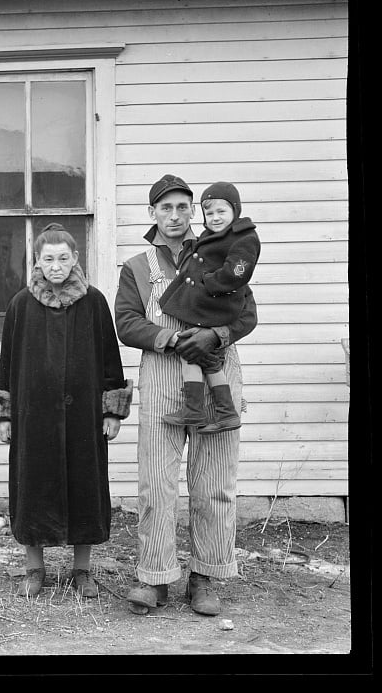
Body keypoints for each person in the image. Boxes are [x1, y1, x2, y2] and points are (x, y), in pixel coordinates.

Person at [115, 174, 258, 616]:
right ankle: (154, 578)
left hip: (215, 371)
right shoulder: (138, 267)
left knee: (214, 482)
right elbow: (126, 322)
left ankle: (206, 575)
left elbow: (247, 315)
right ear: (153, 213)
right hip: (163, 375)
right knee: (156, 482)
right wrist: (172, 339)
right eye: (166, 208)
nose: (175, 216)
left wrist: (215, 333)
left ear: (193, 211)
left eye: (183, 208)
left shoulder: (221, 251)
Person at [0, 224, 132, 599]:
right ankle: (34, 568)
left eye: (63, 258)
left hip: (84, 416)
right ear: (37, 261)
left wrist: (112, 410)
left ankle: (81, 569)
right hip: (33, 417)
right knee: (32, 486)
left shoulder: (94, 302)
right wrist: (4, 415)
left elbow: (110, 360)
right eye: (48, 259)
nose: (56, 266)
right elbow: (7, 362)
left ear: (76, 259)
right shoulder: (21, 303)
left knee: (86, 488)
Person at [158, 182, 261, 432]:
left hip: (216, 309)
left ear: (235, 210)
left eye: (221, 212)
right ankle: (214, 412)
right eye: (210, 213)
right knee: (199, 358)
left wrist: (210, 281)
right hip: (203, 309)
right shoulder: (211, 236)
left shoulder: (244, 237)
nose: (215, 218)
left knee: (200, 357)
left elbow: (238, 272)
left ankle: (212, 412)